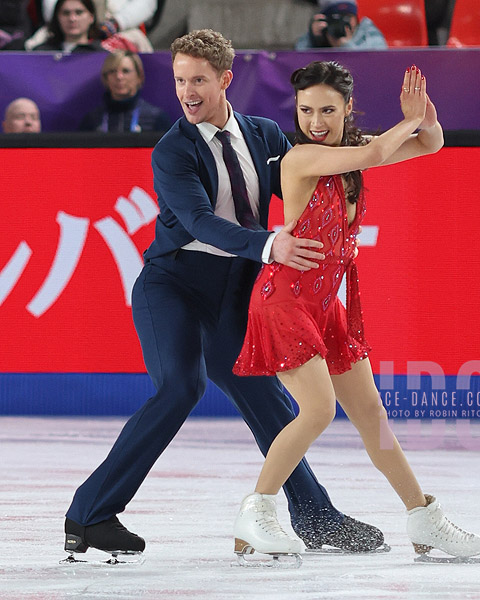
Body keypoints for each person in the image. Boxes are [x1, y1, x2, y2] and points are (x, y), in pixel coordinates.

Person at [62, 29, 387, 563]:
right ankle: (89, 513)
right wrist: (270, 243)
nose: (187, 91)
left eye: (198, 80)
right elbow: (198, 222)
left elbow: (307, 182)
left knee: (268, 399)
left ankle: (315, 514)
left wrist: (366, 166)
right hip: (174, 285)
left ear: (225, 80)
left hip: (237, 288)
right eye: (179, 80)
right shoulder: (173, 150)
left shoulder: (262, 135)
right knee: (179, 388)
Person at [232, 60, 480, 564]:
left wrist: (427, 121)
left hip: (328, 307)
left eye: (328, 109)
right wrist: (406, 121)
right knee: (319, 409)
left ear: (347, 108)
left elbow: (428, 146)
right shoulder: (301, 158)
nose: (316, 121)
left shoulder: (349, 158)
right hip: (285, 303)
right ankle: (256, 510)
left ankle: (424, 518)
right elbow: (377, 148)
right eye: (306, 110)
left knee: (372, 417)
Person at [79, 50, 171, 132]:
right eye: (112, 71)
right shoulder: (92, 120)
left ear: (139, 77)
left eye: (126, 71)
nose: (119, 77)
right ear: (106, 78)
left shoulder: (156, 118)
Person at [295, 0, 387, 50]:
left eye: (347, 17)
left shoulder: (367, 32)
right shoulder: (319, 34)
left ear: (356, 18)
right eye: (336, 17)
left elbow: (377, 60)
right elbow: (296, 62)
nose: (342, 22)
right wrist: (315, 40)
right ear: (326, 19)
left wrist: (346, 46)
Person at [32, 0, 104, 53]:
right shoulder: (41, 53)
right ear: (57, 17)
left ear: (91, 17)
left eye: (79, 13)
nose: (72, 19)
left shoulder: (101, 55)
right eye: (66, 13)